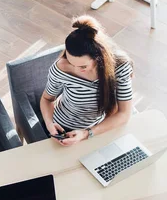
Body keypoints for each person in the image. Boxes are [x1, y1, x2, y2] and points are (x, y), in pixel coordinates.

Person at [40, 15, 133, 146]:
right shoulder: (62, 68)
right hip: (63, 127)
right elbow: (46, 99)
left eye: (83, 66)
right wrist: (50, 124)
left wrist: (86, 133)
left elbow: (124, 114)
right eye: (72, 63)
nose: (76, 69)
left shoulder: (120, 67)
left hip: (98, 129)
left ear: (99, 57)